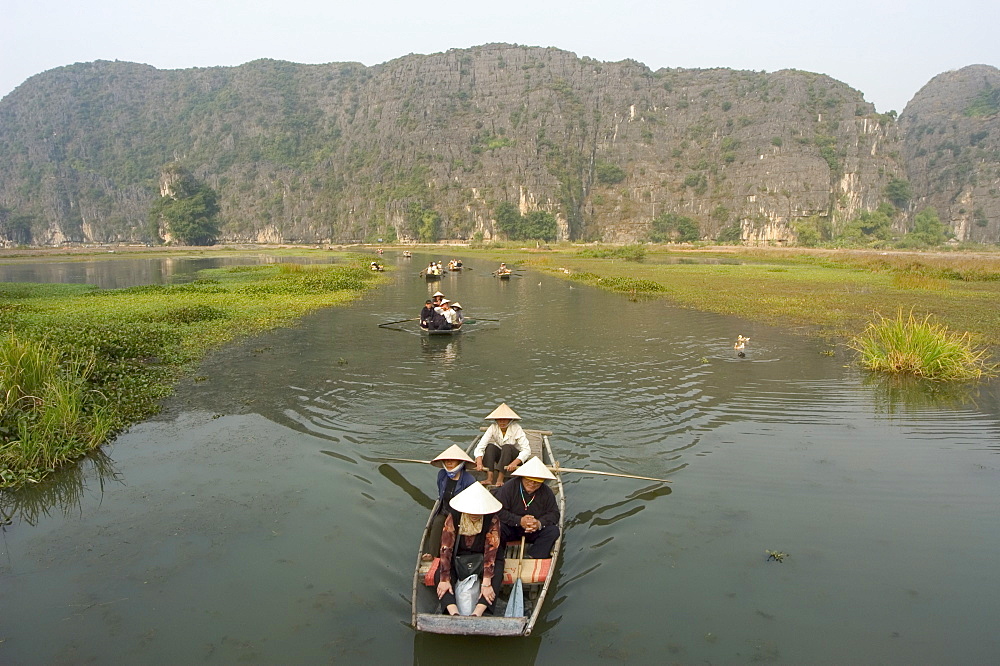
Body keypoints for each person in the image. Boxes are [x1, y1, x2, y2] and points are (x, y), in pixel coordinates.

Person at [435, 482, 505, 617]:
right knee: (440, 575)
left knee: (495, 575)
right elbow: (446, 548)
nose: (474, 514)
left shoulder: (492, 519)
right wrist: (444, 579)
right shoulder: (453, 517)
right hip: (459, 555)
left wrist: (486, 582)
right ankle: (453, 612)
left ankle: (478, 613)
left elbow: (491, 550)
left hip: (485, 556)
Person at [495, 456, 561, 559]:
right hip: (511, 527)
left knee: (553, 531)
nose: (532, 484)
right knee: (497, 528)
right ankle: (499, 556)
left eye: (537, 482)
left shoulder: (546, 492)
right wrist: (519, 520)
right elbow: (498, 510)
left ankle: (534, 555)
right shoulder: (508, 488)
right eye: (529, 480)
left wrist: (538, 523)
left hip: (534, 530)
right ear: (522, 477)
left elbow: (554, 514)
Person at [423, 444, 477, 561]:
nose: (449, 462)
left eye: (452, 460)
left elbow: (472, 500)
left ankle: (452, 554)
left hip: (461, 513)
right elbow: (441, 494)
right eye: (447, 460)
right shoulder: (442, 475)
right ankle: (433, 554)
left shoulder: (469, 480)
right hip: (445, 510)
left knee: (452, 529)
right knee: (437, 523)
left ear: (459, 462)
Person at [473, 403, 531, 486]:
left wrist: (514, 463)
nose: (502, 422)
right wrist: (479, 462)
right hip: (502, 456)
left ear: (510, 420)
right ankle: (490, 478)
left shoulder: (516, 428)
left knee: (507, 447)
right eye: (499, 419)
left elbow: (526, 450)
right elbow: (481, 446)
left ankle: (500, 478)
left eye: (505, 419)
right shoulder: (493, 427)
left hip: (513, 456)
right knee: (490, 447)